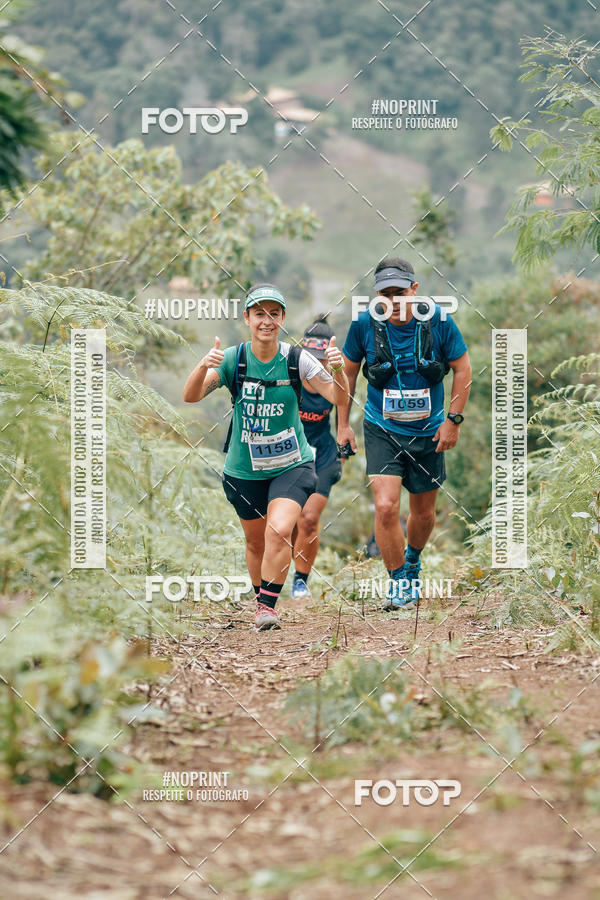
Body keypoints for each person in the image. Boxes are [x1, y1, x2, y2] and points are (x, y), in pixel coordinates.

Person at [183, 283, 349, 631]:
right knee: (255, 541)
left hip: (292, 464)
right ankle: (263, 600)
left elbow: (337, 397)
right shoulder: (233, 358)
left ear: (283, 318)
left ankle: (268, 607)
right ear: (247, 318)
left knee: (279, 531)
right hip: (244, 470)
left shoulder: (297, 359)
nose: (267, 321)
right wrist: (202, 366)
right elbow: (191, 395)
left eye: (274, 314)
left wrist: (338, 369)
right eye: (259, 313)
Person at [337, 258, 471, 610]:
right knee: (384, 507)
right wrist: (343, 424)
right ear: (377, 294)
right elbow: (348, 374)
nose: (393, 300)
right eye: (385, 294)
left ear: (414, 290)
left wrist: (453, 420)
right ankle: (398, 581)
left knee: (423, 513)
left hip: (429, 431)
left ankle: (413, 560)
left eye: (400, 292)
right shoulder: (364, 324)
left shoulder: (439, 322)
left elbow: (462, 367)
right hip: (382, 428)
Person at [290, 315, 344, 600]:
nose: (316, 362)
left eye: (321, 357)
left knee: (308, 519)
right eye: (311, 356)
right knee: (286, 521)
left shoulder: (334, 380)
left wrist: (342, 452)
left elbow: (342, 415)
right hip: (290, 454)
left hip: (322, 455)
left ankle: (301, 580)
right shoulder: (290, 375)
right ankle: (275, 573)